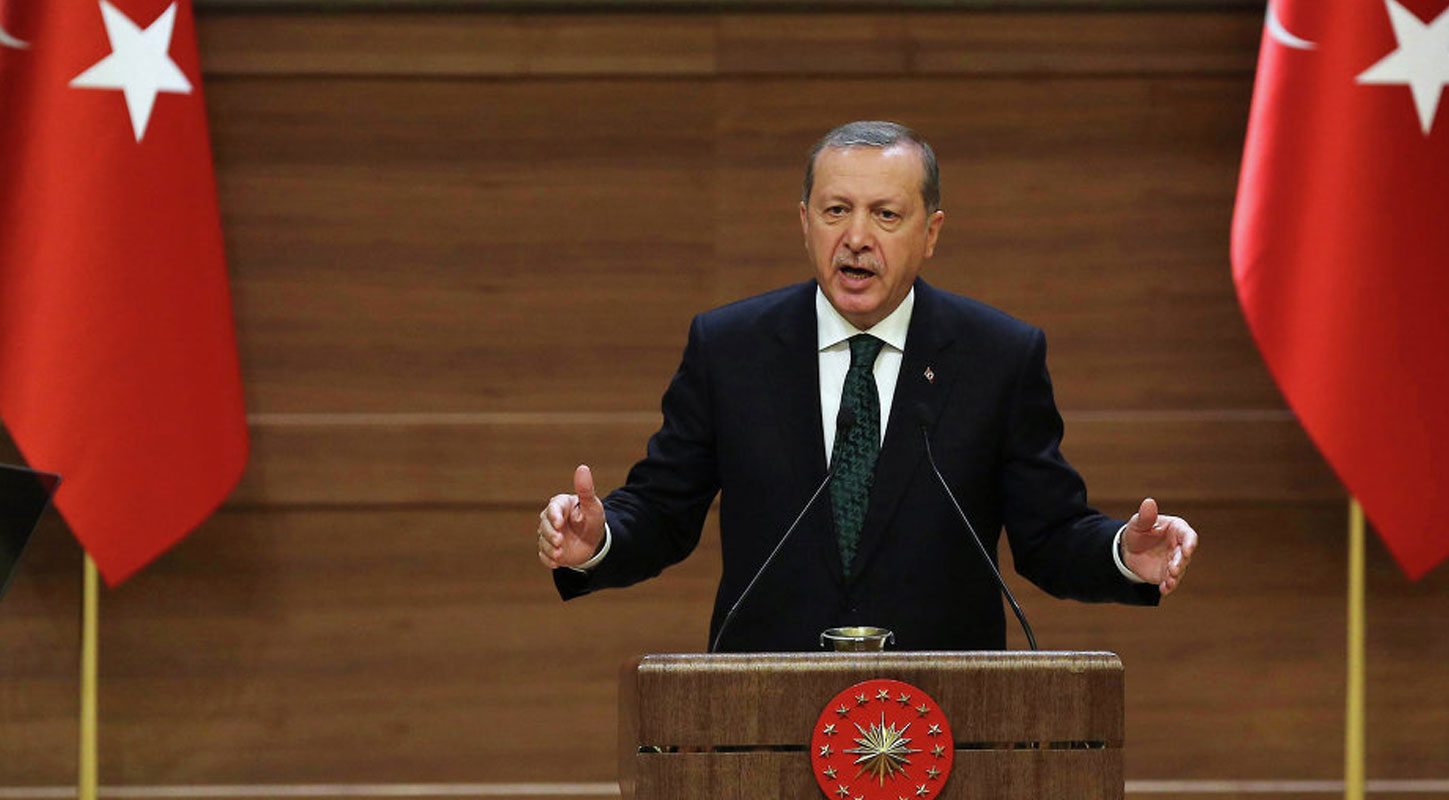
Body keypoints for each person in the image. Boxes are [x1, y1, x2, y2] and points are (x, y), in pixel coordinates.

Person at [536, 121, 1197, 652]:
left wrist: (1122, 554)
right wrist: (599, 540)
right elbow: (661, 512)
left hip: (945, 716)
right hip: (762, 709)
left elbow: (1048, 534)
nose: (855, 238)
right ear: (804, 222)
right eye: (836, 211)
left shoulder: (997, 356)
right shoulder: (731, 348)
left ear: (930, 233)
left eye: (885, 214)